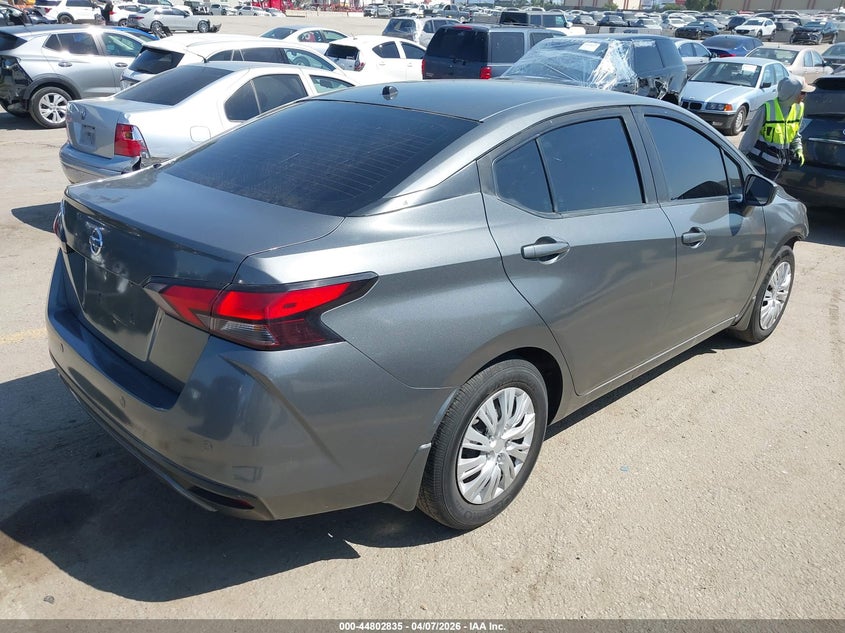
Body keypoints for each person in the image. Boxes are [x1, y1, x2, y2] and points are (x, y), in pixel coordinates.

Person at [739, 76, 813, 181]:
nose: (805, 95)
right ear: (792, 93)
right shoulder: (767, 108)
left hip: (777, 166)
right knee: (755, 194)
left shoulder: (799, 108)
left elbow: (795, 134)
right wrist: (741, 159)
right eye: (802, 92)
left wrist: (798, 148)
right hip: (758, 164)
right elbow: (750, 136)